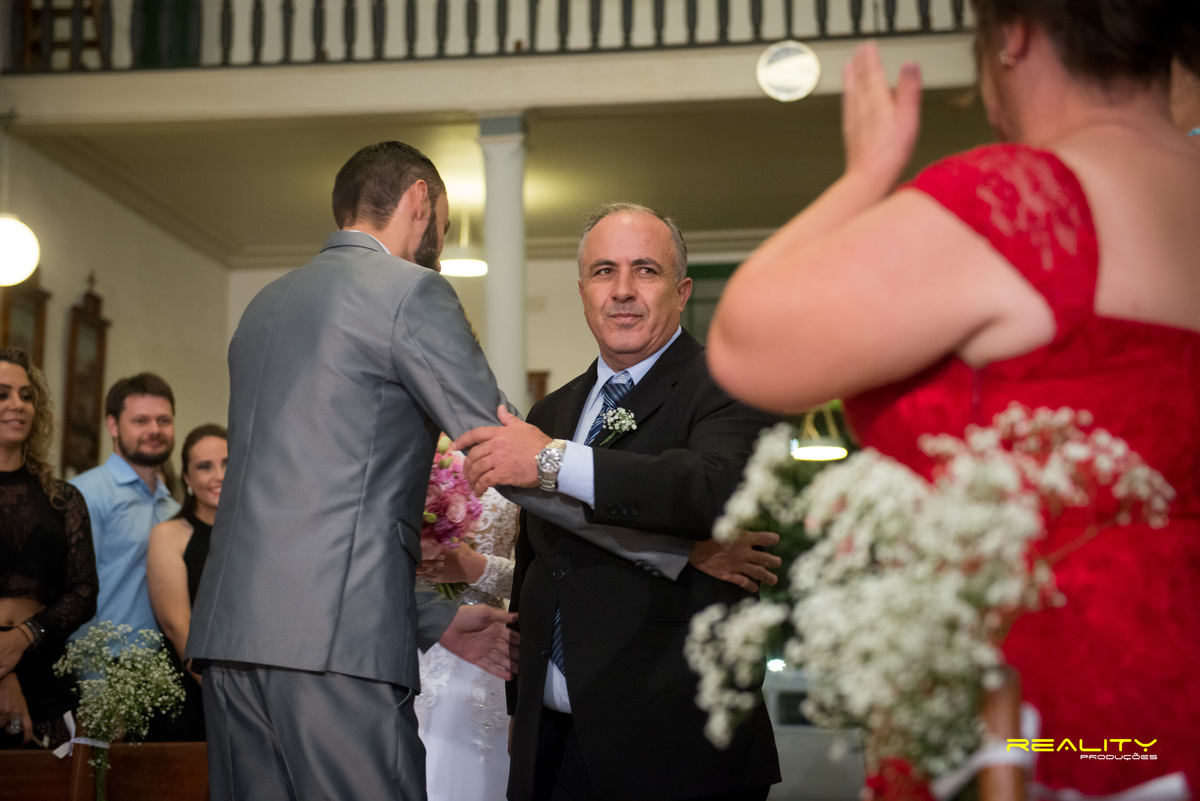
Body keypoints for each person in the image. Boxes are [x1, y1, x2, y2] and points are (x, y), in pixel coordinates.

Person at [706, 0, 1200, 795]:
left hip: (1046, 716)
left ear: (1013, 32)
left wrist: (867, 173)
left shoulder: (1026, 202)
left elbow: (743, 343)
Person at [186, 142, 722, 801]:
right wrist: (672, 548)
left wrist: (428, 616)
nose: (440, 244)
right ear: (420, 200)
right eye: (443, 222)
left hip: (228, 640)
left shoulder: (264, 306)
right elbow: (507, 454)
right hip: (338, 647)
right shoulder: (409, 290)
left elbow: (286, 503)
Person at [455, 203, 784, 801]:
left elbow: (707, 489)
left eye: (646, 270)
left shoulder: (731, 382)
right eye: (604, 271)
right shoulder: (553, 410)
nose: (623, 290)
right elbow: (538, 561)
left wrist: (553, 460)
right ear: (583, 291)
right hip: (552, 747)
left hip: (676, 750)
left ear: (682, 291)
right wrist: (519, 708)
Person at [0, 347, 98, 749]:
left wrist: (26, 634)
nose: (17, 404)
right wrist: (4, 675)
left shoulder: (63, 498)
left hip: (46, 668)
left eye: (26, 395)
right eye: (2, 394)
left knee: (53, 778)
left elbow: (84, 591)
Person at [415, 483, 519, 801]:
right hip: (419, 641)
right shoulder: (415, 467)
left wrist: (478, 569)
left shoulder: (520, 478)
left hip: (487, 643)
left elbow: (544, 578)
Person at [70, 373, 180, 645]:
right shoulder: (84, 495)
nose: (154, 430)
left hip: (165, 661)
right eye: (141, 421)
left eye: (163, 420)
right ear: (113, 425)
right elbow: (71, 593)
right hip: (104, 660)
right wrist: (91, 669)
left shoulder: (175, 509)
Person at [145, 423, 227, 742]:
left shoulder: (261, 535)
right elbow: (178, 628)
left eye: (227, 463)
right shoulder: (170, 535)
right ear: (188, 479)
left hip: (255, 690)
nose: (219, 475)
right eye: (205, 467)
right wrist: (227, 697)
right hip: (192, 691)